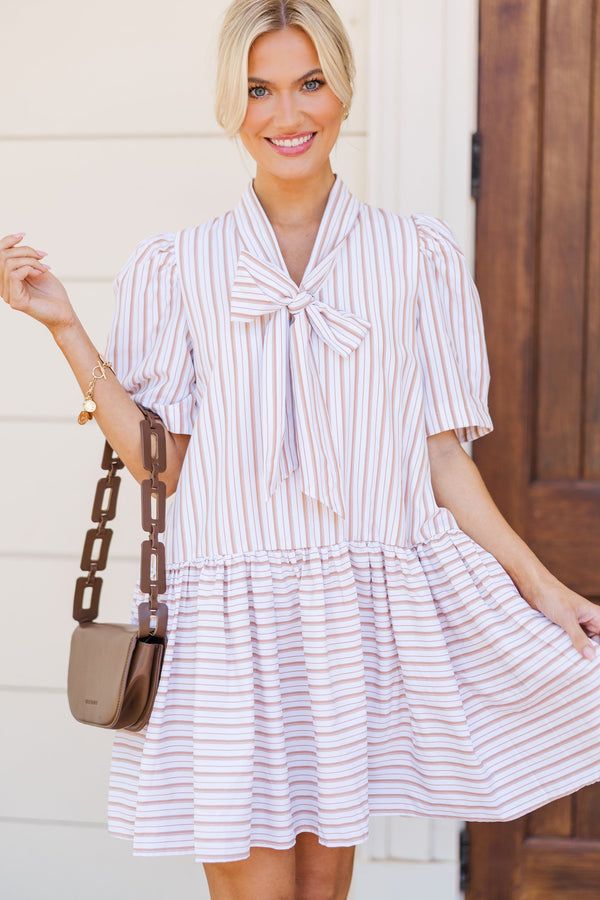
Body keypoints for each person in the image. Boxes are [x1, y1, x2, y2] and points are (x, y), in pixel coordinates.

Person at [2, 1, 600, 897]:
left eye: (309, 82)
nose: (287, 114)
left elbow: (443, 460)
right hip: (229, 622)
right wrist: (66, 328)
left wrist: (542, 586)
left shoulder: (416, 257)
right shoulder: (179, 266)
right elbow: (164, 465)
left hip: (349, 620)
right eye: (260, 90)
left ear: (343, 90)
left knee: (322, 892)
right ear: (231, 105)